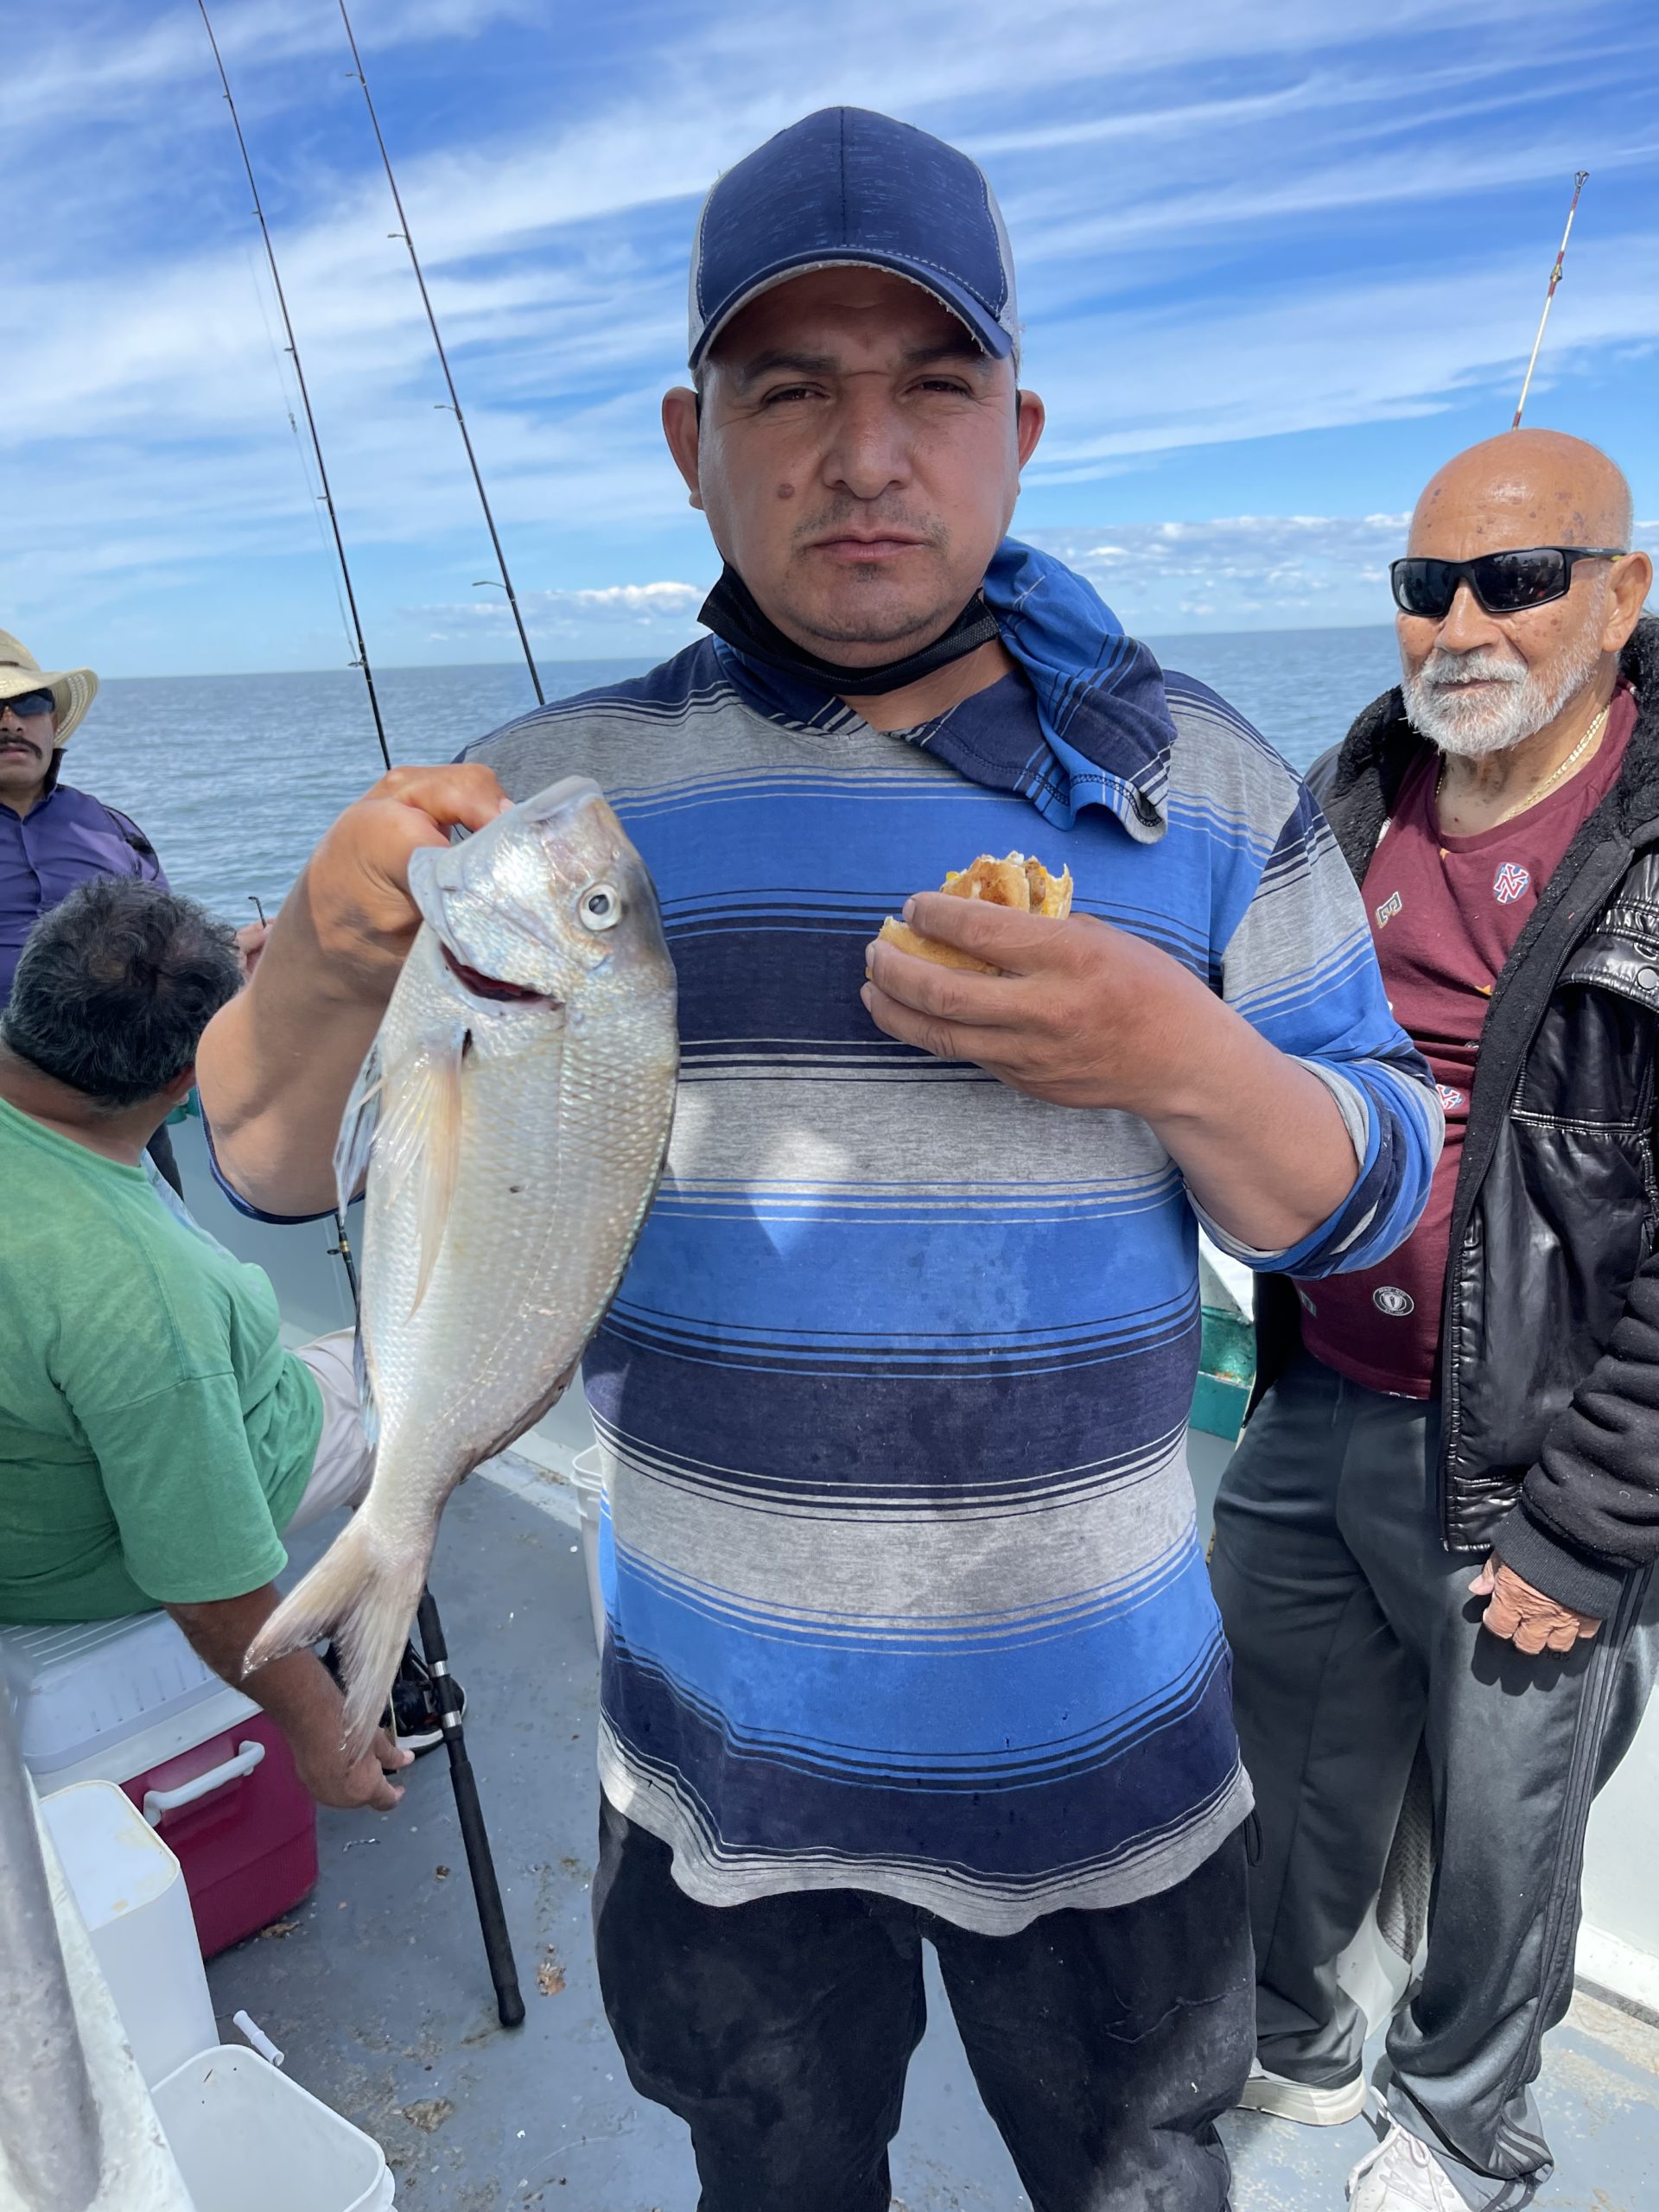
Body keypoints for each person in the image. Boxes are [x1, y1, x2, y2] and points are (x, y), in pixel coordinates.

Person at [195, 109, 1440, 2212]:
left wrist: (1176, 1049)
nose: (864, 451)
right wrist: (323, 962)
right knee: (772, 2175)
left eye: (928, 385)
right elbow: (264, 1153)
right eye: (789, 389)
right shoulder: (546, 802)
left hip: (1112, 1762)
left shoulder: (1196, 776)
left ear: (1015, 427)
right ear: (692, 440)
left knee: (1142, 2176)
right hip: (715, 1767)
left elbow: (1371, 1188)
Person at [1214, 429, 1658, 2212]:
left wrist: (1598, 1513)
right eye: (1425, 586)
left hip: (1536, 1448)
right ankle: (1294, 2038)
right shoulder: (1351, 796)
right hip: (1316, 1388)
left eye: (1518, 577)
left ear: (1624, 594)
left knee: (1503, 1835)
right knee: (1287, 1747)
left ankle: (1470, 2118)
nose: (1460, 621)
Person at [0, 876, 424, 1807]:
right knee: (419, 1392)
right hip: (86, 1552)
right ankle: (369, 1627)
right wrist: (326, 1733)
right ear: (189, 1078)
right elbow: (203, 1583)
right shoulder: (138, 1292)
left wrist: (241, 997)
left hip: (36, 1479)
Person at [0, 628, 204, 1195]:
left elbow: (172, 951)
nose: (11, 722)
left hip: (122, 1097)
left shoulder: (113, 830)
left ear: (52, 722)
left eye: (30, 703)